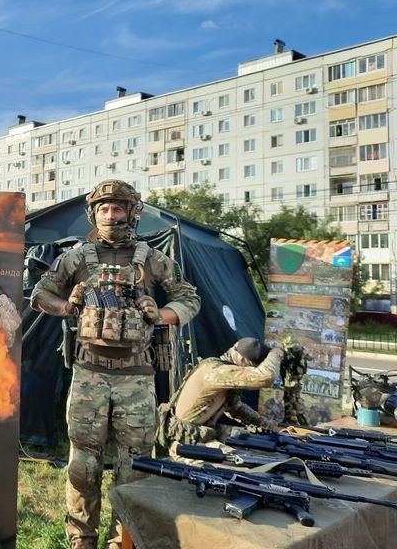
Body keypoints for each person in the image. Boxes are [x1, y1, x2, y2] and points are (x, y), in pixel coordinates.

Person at [30, 179, 201, 549]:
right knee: (82, 465)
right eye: (104, 208)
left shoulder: (154, 260)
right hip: (89, 373)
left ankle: (122, 540)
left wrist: (163, 314)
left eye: (118, 208)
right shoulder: (76, 257)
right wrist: (66, 306)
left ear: (132, 212)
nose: (111, 215)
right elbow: (40, 292)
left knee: (134, 467)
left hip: (137, 378)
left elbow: (189, 298)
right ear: (94, 213)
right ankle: (81, 539)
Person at [154, 338, 285, 458]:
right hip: (186, 444)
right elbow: (265, 377)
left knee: (256, 444)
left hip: (200, 436)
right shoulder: (215, 372)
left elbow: (236, 409)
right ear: (242, 361)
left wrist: (268, 427)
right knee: (244, 464)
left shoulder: (219, 368)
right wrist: (276, 353)